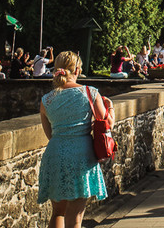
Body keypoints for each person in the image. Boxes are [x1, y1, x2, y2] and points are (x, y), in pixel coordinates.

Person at [38, 51, 110, 228]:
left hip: (55, 154)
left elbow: (50, 134)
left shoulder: (46, 100)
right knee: (75, 216)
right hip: (81, 156)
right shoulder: (90, 93)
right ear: (77, 69)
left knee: (57, 212)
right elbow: (106, 124)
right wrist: (112, 109)